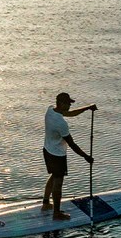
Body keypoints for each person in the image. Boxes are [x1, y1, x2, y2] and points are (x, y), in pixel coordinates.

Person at [42, 92, 97, 220]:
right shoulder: (61, 123)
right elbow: (72, 144)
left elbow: (70, 114)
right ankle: (56, 213)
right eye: (67, 104)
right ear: (61, 103)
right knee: (58, 182)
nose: (69, 106)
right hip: (57, 154)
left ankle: (45, 203)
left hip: (47, 150)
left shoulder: (50, 110)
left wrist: (87, 108)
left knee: (54, 176)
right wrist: (86, 157)